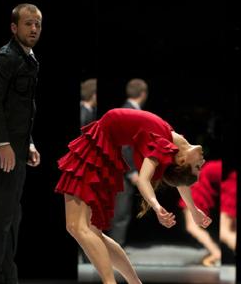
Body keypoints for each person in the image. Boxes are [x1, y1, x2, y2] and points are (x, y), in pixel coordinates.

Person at [55, 108, 212, 284]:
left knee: (78, 227)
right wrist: (194, 210)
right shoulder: (171, 140)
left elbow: (143, 180)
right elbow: (180, 183)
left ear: (183, 160)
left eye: (198, 167)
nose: (203, 162)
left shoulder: (163, 143)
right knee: (90, 230)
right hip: (101, 148)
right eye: (199, 167)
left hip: (97, 150)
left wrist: (157, 206)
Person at [0, 3, 42, 284]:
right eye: (28, 23)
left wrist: (28, 143)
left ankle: (7, 278)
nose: (34, 28)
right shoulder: (5, 57)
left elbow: (21, 109)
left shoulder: (28, 58)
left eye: (37, 23)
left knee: (11, 218)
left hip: (15, 148)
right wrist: (2, 143)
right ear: (14, 28)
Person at [109, 78, 148, 246]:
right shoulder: (130, 112)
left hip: (122, 169)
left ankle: (115, 250)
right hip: (123, 171)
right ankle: (115, 252)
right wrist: (131, 171)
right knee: (120, 213)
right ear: (144, 94)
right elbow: (124, 145)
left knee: (120, 212)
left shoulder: (126, 110)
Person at [178, 161, 237, 267]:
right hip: (214, 179)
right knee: (230, 230)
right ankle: (215, 252)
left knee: (194, 226)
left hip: (201, 182)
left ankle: (215, 253)